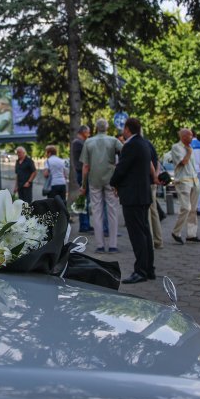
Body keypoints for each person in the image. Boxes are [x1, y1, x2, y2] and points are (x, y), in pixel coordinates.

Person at [110, 117, 155, 284]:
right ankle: (149, 269)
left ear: (128, 129)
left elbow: (122, 169)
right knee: (145, 233)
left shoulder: (130, 145)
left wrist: (113, 182)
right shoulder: (144, 143)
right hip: (143, 194)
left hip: (132, 196)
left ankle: (141, 270)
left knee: (137, 235)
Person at [80, 118, 122, 254]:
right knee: (112, 211)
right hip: (111, 179)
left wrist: (83, 184)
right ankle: (113, 245)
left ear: (96, 128)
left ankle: (99, 245)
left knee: (97, 212)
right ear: (107, 127)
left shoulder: (88, 142)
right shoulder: (114, 141)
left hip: (94, 180)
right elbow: (125, 153)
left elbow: (85, 166)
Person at [170, 128, 200, 244]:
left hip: (194, 181)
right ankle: (176, 232)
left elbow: (194, 165)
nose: (192, 137)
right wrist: (189, 152)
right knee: (186, 208)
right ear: (183, 136)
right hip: (183, 181)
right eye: (190, 135)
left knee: (193, 210)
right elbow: (183, 162)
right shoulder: (176, 147)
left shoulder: (191, 147)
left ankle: (192, 234)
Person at [70, 125, 92, 232]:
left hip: (82, 173)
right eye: (88, 132)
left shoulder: (78, 142)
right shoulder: (78, 143)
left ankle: (86, 224)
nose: (89, 134)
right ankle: (84, 225)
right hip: (82, 173)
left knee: (84, 199)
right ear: (83, 132)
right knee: (83, 200)